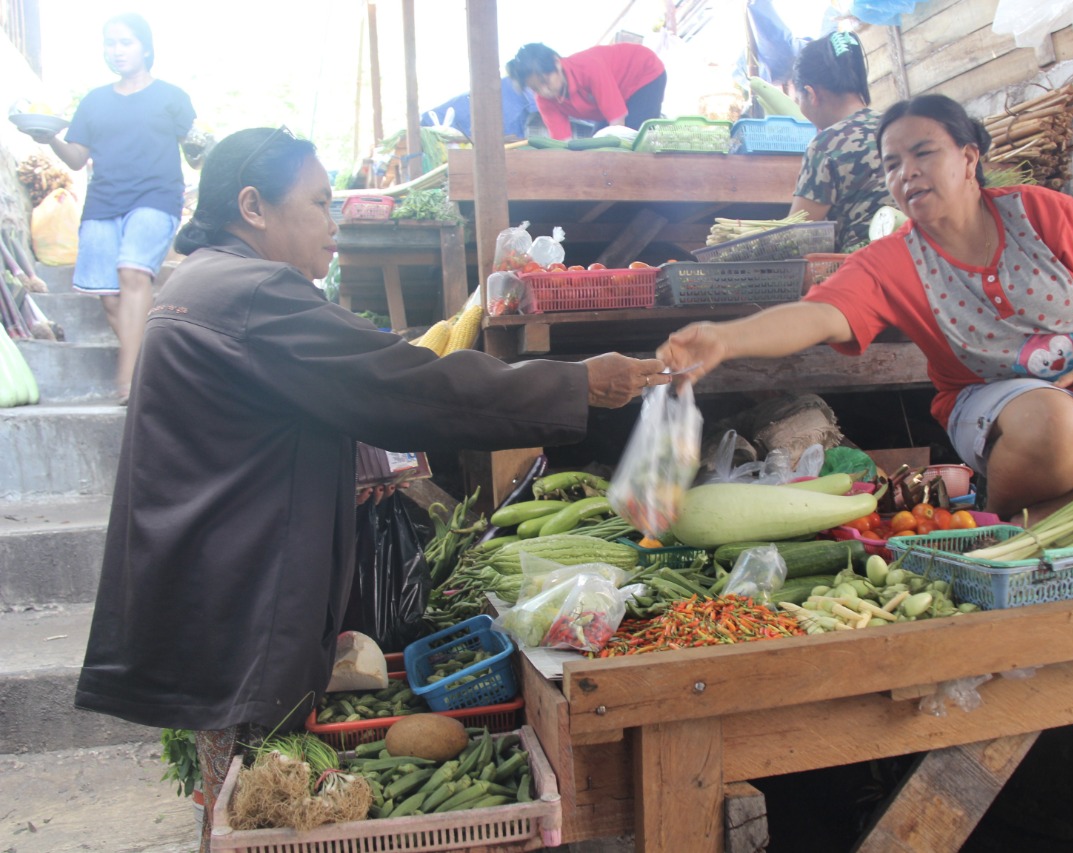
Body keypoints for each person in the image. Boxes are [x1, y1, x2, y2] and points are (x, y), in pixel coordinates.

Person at [71, 126, 669, 851]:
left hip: (208, 586)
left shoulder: (205, 282)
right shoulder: (251, 292)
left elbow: (328, 394)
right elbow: (405, 385)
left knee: (239, 797)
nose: (334, 222)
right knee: (256, 807)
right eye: (320, 203)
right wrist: (575, 382)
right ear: (253, 206)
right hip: (233, 598)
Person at [659, 94, 1073, 520]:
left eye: (923, 154)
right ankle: (1015, 515)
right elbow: (821, 314)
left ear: (969, 157)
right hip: (1001, 399)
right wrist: (726, 338)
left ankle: (1045, 523)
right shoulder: (891, 259)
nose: (907, 173)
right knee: (1057, 425)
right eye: (892, 164)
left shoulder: (1041, 211)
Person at [29, 13, 199, 404]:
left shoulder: (172, 97)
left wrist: (203, 151)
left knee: (133, 272)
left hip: (156, 197)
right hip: (104, 203)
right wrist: (49, 136)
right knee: (109, 296)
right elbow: (75, 159)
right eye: (111, 43)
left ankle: (128, 383)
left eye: (125, 42)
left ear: (145, 46)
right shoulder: (94, 101)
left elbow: (196, 153)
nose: (117, 51)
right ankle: (157, 368)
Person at [789, 30, 895, 251]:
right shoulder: (896, 125)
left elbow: (797, 235)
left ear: (811, 94)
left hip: (866, 267)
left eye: (799, 99)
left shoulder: (825, 145)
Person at [506, 41, 666, 141]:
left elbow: (618, 125)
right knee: (593, 147)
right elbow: (563, 144)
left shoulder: (589, 67)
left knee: (633, 140)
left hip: (643, 74)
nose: (544, 91)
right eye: (535, 88)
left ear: (557, 62)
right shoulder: (545, 100)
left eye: (545, 82)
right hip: (618, 95)